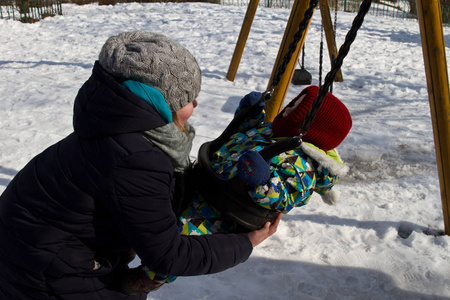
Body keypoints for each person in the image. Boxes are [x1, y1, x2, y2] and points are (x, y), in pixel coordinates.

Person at [0, 30, 281, 300]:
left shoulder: (111, 125)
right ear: (160, 101)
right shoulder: (136, 157)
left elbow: (140, 198)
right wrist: (246, 243)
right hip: (46, 275)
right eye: (187, 97)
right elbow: (168, 255)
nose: (195, 102)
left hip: (30, 250)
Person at [136, 85, 352, 290]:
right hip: (206, 180)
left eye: (296, 109)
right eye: (293, 103)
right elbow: (244, 134)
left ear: (311, 128)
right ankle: (127, 242)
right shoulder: (272, 131)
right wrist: (248, 115)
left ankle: (149, 277)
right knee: (156, 206)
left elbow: (284, 197)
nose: (287, 108)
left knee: (183, 241)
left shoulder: (303, 167)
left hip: (225, 211)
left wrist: (262, 181)